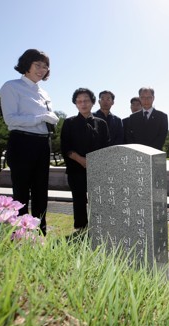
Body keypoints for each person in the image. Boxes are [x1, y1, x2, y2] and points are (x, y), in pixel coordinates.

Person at [0, 49, 59, 236]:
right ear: (27, 64)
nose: (42, 70)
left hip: (43, 144)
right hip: (22, 142)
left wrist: (51, 119)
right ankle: (21, 235)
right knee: (22, 192)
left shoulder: (43, 92)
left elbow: (46, 117)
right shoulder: (11, 86)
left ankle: (40, 234)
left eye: (45, 67)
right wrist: (41, 117)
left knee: (41, 192)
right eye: (37, 65)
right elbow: (10, 119)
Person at [61, 88, 109, 231]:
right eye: (79, 101)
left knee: (98, 200)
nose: (83, 104)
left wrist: (95, 163)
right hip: (76, 169)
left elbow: (106, 147)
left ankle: (98, 227)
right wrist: (81, 160)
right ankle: (80, 228)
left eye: (86, 100)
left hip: (97, 169)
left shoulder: (102, 123)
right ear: (75, 104)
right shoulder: (69, 123)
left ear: (93, 102)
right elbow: (65, 147)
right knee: (79, 200)